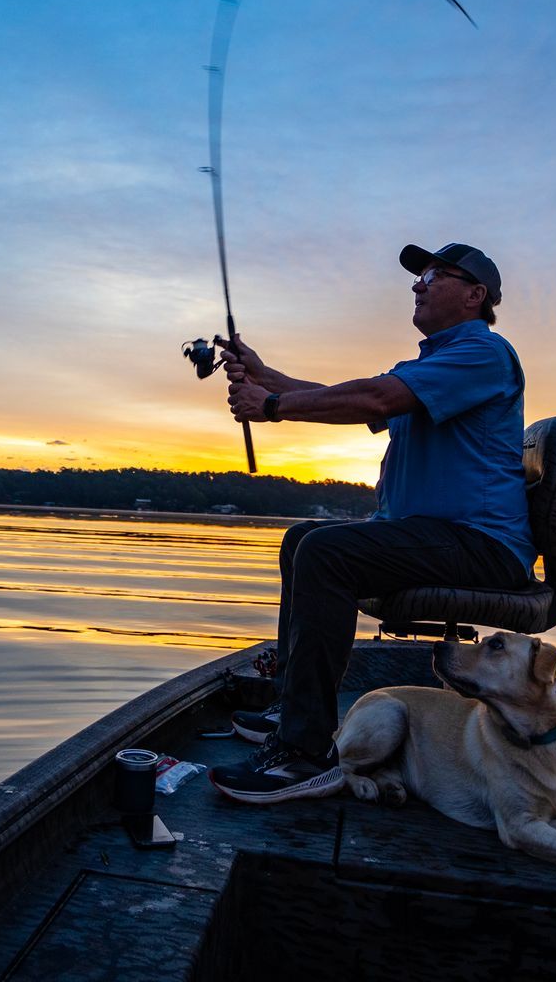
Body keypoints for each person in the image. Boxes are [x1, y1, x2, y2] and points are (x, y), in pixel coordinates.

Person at [207, 241, 535, 804]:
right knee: (306, 538)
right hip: (439, 537)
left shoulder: (482, 353)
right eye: (419, 276)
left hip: (480, 544)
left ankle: (304, 754)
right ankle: (294, 711)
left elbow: (376, 398)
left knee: (327, 552)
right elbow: (354, 396)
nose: (418, 284)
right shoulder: (434, 366)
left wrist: (268, 407)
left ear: (475, 295)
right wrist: (266, 376)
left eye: (434, 274)